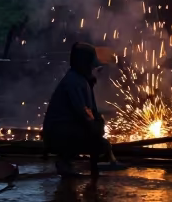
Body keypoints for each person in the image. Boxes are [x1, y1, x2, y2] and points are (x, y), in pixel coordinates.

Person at [42, 42, 123, 176]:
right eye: (91, 64)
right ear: (85, 63)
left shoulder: (80, 80)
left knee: (100, 141)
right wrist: (97, 127)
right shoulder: (75, 82)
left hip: (60, 132)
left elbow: (91, 111)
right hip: (58, 135)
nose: (93, 68)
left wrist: (98, 120)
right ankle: (64, 162)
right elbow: (83, 113)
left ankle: (104, 160)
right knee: (95, 139)